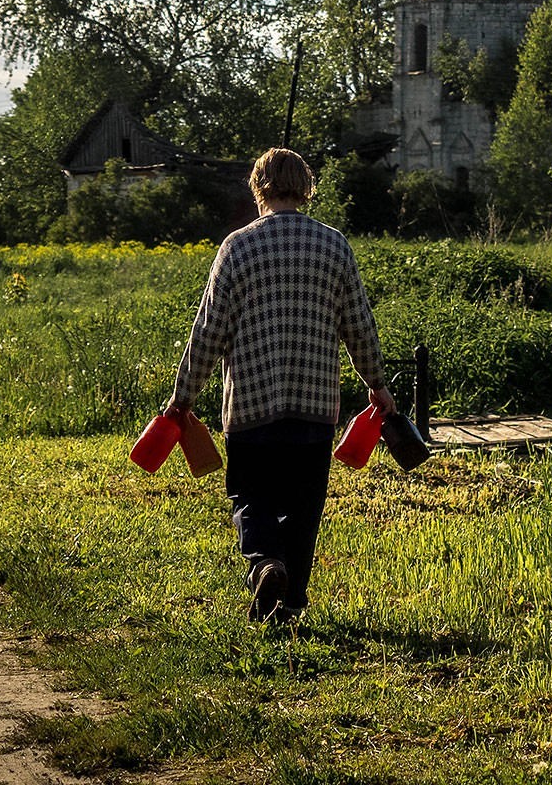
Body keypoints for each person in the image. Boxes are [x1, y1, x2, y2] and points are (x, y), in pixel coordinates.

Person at [162, 147, 393, 621]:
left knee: (251, 496)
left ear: (258, 187)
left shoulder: (237, 248)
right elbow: (359, 327)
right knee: (304, 509)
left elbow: (208, 332)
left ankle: (266, 563)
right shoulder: (335, 246)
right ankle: (290, 602)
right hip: (315, 407)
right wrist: (378, 384)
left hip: (250, 405)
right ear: (306, 187)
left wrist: (182, 398)